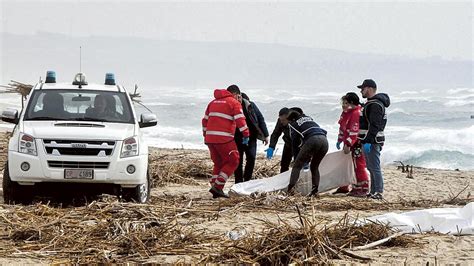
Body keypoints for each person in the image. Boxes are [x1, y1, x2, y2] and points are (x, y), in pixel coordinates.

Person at [202, 85, 250, 198]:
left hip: (210, 138)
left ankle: (214, 186)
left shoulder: (212, 102)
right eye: (239, 97)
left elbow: (204, 121)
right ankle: (218, 187)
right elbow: (240, 120)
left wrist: (206, 134)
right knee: (234, 160)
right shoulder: (233, 103)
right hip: (224, 138)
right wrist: (246, 134)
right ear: (235, 94)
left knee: (218, 163)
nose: (239, 100)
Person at [357, 79, 390, 200]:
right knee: (370, 167)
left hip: (373, 141)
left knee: (374, 167)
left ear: (370, 89)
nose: (361, 91)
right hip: (370, 140)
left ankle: (378, 192)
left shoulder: (375, 105)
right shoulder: (371, 103)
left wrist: (368, 141)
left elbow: (374, 125)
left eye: (363, 88)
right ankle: (373, 191)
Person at [334, 92, 370, 197]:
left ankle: (363, 187)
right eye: (343, 103)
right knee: (346, 164)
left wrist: (349, 144)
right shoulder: (345, 113)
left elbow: (354, 131)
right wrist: (340, 139)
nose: (343, 105)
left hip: (356, 144)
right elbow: (342, 128)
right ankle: (345, 186)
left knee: (358, 165)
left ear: (352, 103)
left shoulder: (356, 113)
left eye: (346, 103)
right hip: (348, 142)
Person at [286, 109, 328, 196]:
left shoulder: (293, 124)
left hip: (313, 140)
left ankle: (290, 190)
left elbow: (295, 143)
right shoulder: (308, 118)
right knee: (314, 167)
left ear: (291, 120)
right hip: (324, 141)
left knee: (297, 166)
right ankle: (315, 190)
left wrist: (296, 158)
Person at [233, 91, 269, 183]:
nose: (238, 100)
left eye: (239, 98)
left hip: (251, 136)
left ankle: (247, 180)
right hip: (237, 137)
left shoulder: (251, 105)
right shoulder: (232, 106)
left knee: (251, 158)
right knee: (238, 161)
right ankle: (238, 182)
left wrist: (265, 135)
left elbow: (260, 118)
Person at [267, 107, 292, 173]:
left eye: (283, 120)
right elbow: (276, 134)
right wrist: (271, 147)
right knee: (284, 164)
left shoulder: (296, 121)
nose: (281, 122)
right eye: (280, 120)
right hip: (288, 143)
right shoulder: (280, 121)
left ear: (289, 118)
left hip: (298, 145)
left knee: (299, 163)